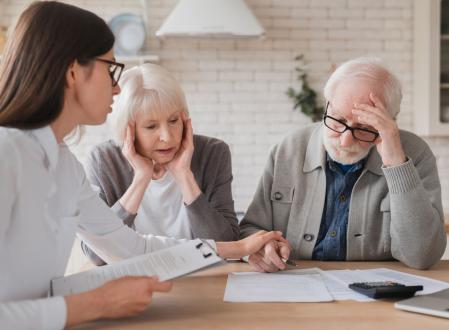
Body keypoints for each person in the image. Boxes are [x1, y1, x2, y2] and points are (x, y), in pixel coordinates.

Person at [0, 2, 287, 329]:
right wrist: (95, 304)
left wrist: (239, 246)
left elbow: (132, 248)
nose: (117, 86)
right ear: (73, 72)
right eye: (110, 68)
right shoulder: (6, 155)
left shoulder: (64, 165)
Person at [240, 57, 446, 272]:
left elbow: (423, 256)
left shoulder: (415, 153)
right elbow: (249, 230)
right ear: (327, 104)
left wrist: (396, 163)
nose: (346, 141)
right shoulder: (289, 148)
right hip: (294, 282)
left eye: (364, 128)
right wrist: (261, 247)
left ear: (389, 121)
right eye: (337, 120)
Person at [80, 64, 239, 266]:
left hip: (201, 275)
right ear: (127, 130)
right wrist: (141, 179)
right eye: (151, 126)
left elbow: (227, 245)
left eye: (173, 120)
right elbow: (96, 256)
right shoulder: (104, 161)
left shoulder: (213, 152)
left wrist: (184, 175)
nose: (167, 137)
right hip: (134, 280)